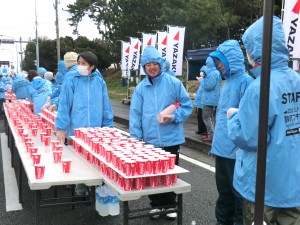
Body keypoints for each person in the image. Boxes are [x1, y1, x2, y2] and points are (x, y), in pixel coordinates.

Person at [227, 16, 300, 225]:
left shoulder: (259, 87)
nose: (246, 53)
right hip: (294, 183)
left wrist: (233, 118)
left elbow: (250, 137)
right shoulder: (296, 80)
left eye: (248, 48)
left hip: (264, 184)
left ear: (257, 50)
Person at [129, 46, 193, 220]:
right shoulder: (140, 88)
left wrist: (173, 117)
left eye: (155, 63)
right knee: (153, 175)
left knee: (169, 173)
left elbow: (187, 105)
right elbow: (135, 115)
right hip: (149, 140)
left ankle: (170, 205)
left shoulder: (173, 83)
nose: (152, 67)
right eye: (148, 64)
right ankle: (156, 206)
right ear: (144, 67)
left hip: (171, 138)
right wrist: (135, 140)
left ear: (160, 63)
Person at [209, 40, 253, 225]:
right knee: (224, 191)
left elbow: (248, 119)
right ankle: (222, 221)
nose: (219, 65)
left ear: (232, 60)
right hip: (221, 149)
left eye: (222, 61)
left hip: (236, 152)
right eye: (218, 62)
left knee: (238, 195)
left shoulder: (246, 82)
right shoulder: (227, 82)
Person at [199, 56, 221, 142]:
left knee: (206, 117)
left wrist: (201, 81)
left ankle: (211, 135)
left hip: (208, 99)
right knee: (210, 117)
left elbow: (208, 86)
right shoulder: (215, 72)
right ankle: (210, 134)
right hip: (213, 98)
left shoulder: (212, 73)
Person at [194, 66, 208, 135]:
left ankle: (205, 130)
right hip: (200, 102)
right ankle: (200, 129)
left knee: (204, 117)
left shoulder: (206, 81)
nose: (201, 73)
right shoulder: (202, 81)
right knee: (199, 117)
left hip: (204, 102)